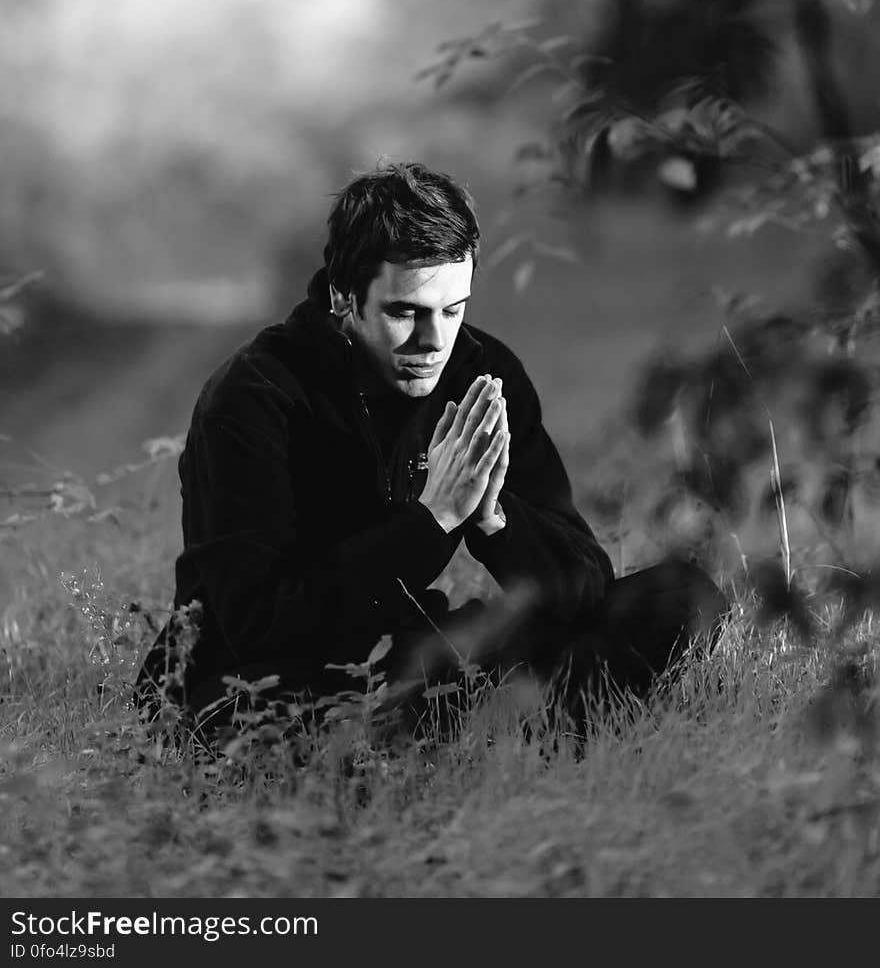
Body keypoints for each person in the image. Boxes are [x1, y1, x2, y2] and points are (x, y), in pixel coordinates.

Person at [135, 161, 727, 740]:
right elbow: (263, 627)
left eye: (453, 310)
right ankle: (488, 737)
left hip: (419, 653)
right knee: (391, 691)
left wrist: (495, 518)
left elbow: (583, 585)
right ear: (344, 298)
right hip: (259, 683)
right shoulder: (252, 400)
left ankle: (512, 745)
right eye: (405, 314)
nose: (434, 342)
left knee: (680, 598)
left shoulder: (481, 375)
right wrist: (433, 518)